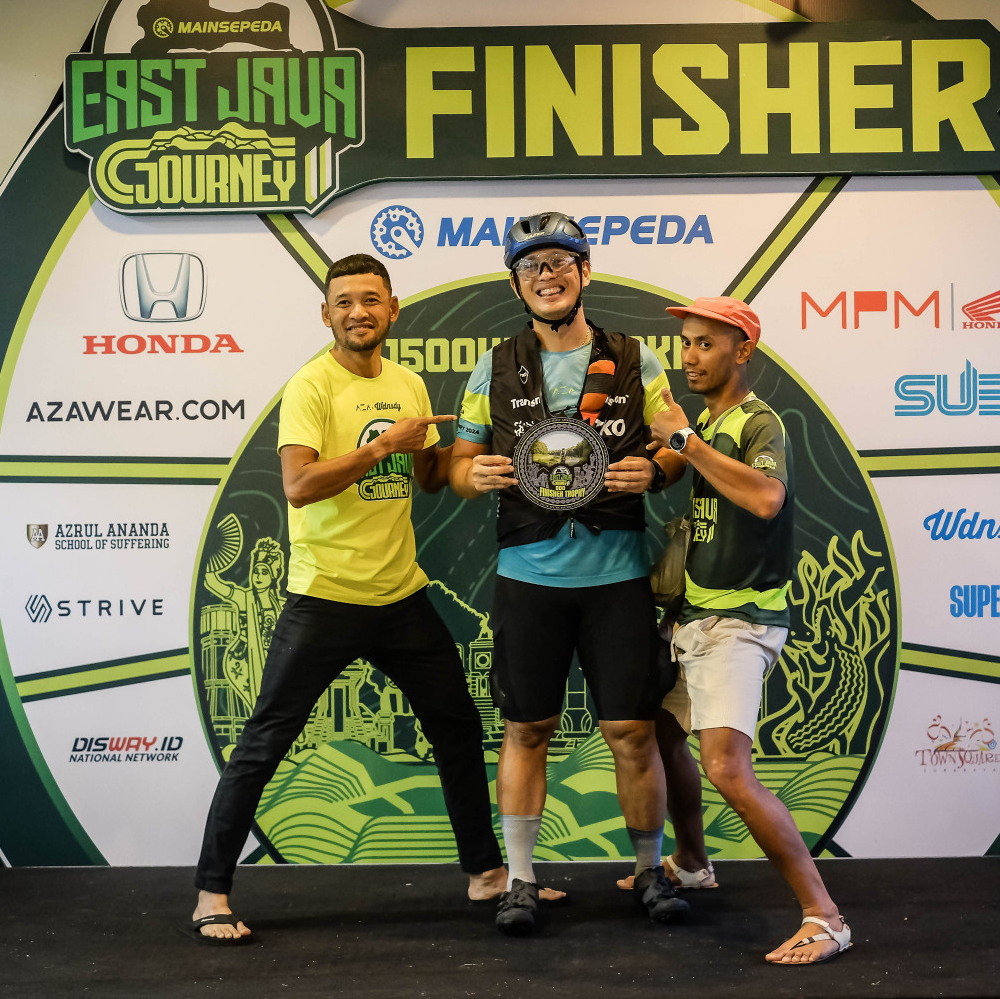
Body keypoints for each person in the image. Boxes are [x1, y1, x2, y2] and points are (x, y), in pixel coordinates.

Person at [186, 254, 513, 944]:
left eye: (370, 299)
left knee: (457, 728)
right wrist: (382, 445)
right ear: (326, 314)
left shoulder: (408, 382)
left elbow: (426, 479)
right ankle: (211, 893)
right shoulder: (311, 385)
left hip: (401, 595)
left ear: (392, 309)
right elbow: (298, 486)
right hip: (325, 597)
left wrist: (450, 452)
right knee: (264, 744)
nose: (357, 311)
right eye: (344, 301)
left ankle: (487, 875)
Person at [449, 212, 690, 935]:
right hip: (530, 576)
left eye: (560, 262)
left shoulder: (637, 359)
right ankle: (521, 881)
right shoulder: (493, 366)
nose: (546, 276)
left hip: (617, 577)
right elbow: (458, 467)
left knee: (633, 732)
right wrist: (473, 476)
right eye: (531, 266)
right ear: (516, 285)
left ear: (584, 272)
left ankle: (649, 870)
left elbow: (676, 444)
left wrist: (658, 468)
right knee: (527, 729)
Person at [638, 296, 853, 965]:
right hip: (695, 618)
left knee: (728, 768)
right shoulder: (708, 420)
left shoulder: (759, 421)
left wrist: (684, 442)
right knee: (661, 732)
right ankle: (693, 863)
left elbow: (765, 498)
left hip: (738, 624)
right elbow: (665, 470)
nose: (690, 355)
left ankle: (825, 918)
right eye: (686, 342)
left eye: (705, 343)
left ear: (743, 351)